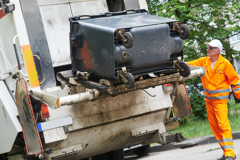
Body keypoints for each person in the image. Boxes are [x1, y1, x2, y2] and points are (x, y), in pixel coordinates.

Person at [187, 39, 239, 160]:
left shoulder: (225, 64)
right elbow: (188, 65)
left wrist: (239, 95)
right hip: (209, 101)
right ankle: (226, 152)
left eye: (211, 48)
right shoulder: (204, 61)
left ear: (218, 50)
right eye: (208, 47)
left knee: (223, 125)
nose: (208, 50)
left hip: (220, 102)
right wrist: (177, 63)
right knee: (215, 127)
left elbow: (235, 81)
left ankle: (230, 154)